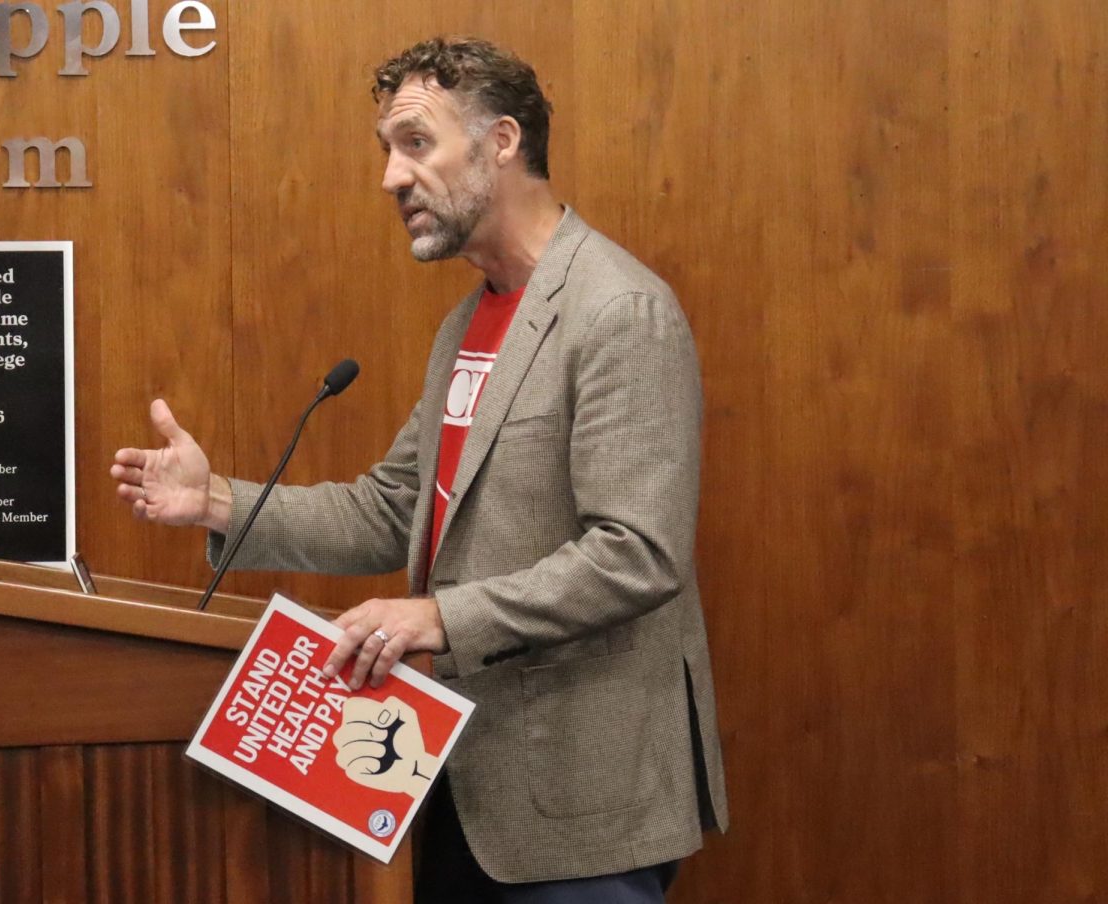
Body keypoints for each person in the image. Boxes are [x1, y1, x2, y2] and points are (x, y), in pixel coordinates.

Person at [111, 36, 727, 904]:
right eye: (386, 151)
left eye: (415, 143)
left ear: (502, 142)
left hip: (578, 801)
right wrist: (215, 502)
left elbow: (638, 552)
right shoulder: (466, 326)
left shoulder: (618, 311)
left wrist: (439, 616)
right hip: (452, 788)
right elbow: (390, 508)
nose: (391, 179)